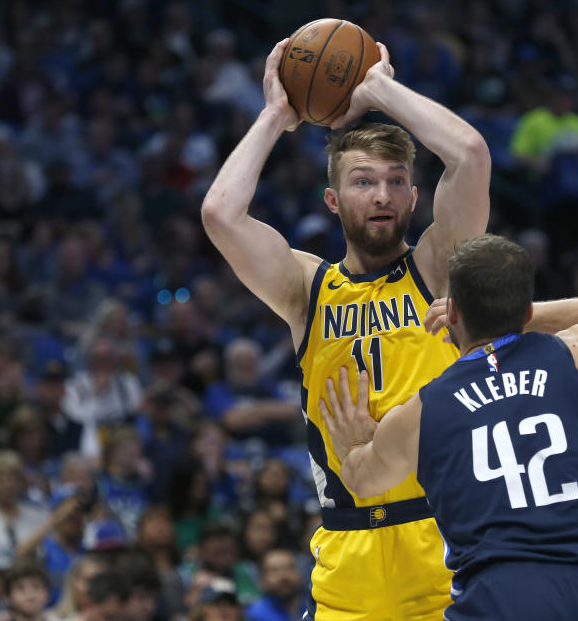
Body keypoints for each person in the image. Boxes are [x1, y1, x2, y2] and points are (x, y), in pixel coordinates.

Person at [200, 32, 491, 620]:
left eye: (394, 182)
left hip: (444, 546)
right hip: (346, 553)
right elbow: (219, 214)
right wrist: (277, 115)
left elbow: (469, 155)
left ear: (413, 196)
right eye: (362, 181)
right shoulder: (307, 290)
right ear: (332, 200)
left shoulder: (438, 270)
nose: (381, 196)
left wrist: (380, 89)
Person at [319, 235, 578, 619]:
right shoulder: (577, 355)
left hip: (501, 599)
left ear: (451, 312)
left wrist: (352, 445)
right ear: (526, 311)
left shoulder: (421, 411)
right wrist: (527, 311)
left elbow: (363, 480)